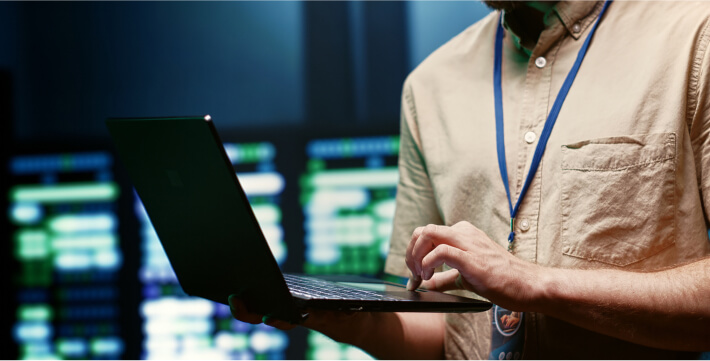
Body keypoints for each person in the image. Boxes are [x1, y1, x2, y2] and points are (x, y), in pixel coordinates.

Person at [230, 1, 710, 358]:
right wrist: (330, 316)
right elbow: (440, 334)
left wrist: (533, 284)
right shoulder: (430, 85)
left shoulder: (694, 36)